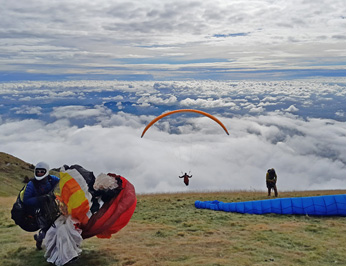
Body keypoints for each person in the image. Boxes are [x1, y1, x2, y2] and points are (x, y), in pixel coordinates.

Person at [22, 162, 60, 250]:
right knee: (46, 228)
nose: (39, 173)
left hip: (53, 207)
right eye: (37, 171)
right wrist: (40, 199)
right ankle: (39, 240)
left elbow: (62, 184)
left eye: (41, 171)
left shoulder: (52, 179)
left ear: (46, 172)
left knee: (58, 225)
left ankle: (56, 245)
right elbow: (26, 200)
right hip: (40, 211)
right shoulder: (31, 184)